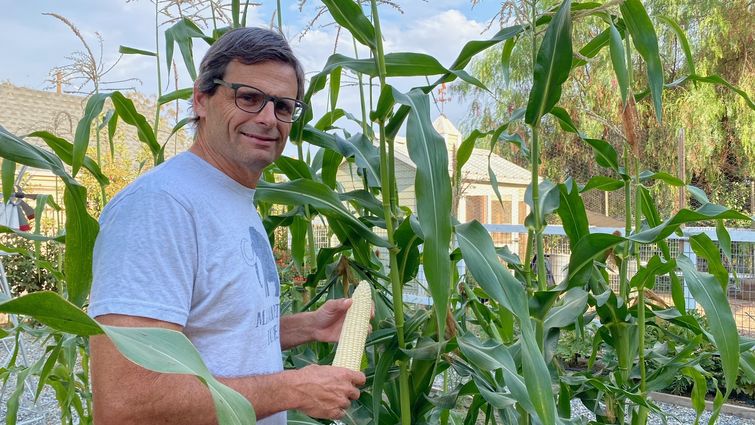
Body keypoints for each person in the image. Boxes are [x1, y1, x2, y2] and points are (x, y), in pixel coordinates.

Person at [88, 27, 365, 425]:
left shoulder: (229, 196)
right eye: (249, 98)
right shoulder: (160, 207)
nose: (269, 119)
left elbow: (210, 335)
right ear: (202, 98)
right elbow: (126, 403)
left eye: (284, 107)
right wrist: (293, 388)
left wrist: (304, 327)